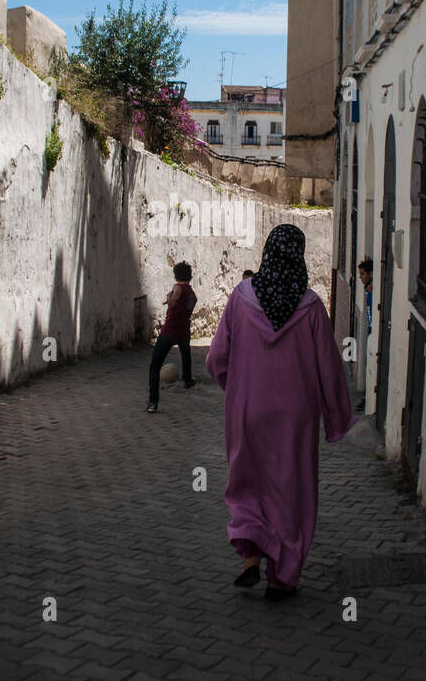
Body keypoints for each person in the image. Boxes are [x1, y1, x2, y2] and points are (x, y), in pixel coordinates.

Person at [206, 224, 354, 600]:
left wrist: (237, 387)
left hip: (248, 411)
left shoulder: (240, 298)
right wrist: (337, 418)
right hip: (295, 421)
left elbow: (215, 358)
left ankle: (251, 557)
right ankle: (282, 578)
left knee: (248, 481)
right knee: (291, 492)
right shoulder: (312, 308)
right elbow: (330, 370)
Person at [147, 262, 197, 413]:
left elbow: (176, 296)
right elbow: (188, 306)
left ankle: (153, 403)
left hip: (169, 332)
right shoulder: (192, 294)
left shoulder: (177, 287)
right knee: (185, 353)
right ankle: (187, 380)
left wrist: (170, 300)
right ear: (190, 276)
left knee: (154, 366)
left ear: (175, 276)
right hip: (183, 332)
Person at [358, 257, 373, 334]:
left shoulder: (373, 290)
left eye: (362, 274)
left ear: (370, 274)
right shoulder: (367, 289)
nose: (360, 277)